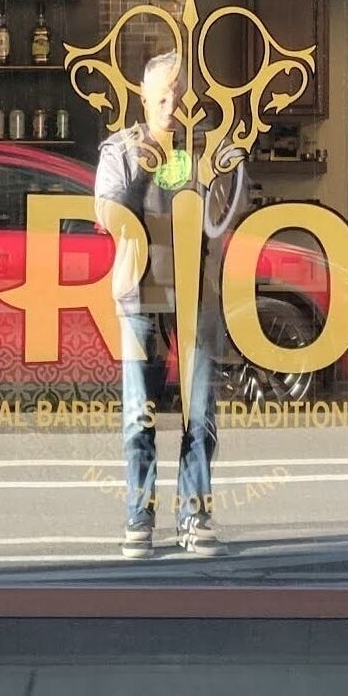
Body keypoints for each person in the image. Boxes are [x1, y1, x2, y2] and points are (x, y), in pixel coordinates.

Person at [95, 46, 248, 559]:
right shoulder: (119, 149)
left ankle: (195, 514)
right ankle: (139, 514)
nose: (171, 107)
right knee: (139, 415)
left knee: (199, 413)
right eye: (163, 97)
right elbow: (111, 215)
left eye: (179, 97)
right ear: (145, 98)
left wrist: (223, 170)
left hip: (197, 297)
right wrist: (146, 166)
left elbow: (224, 221)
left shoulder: (206, 153)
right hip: (141, 295)